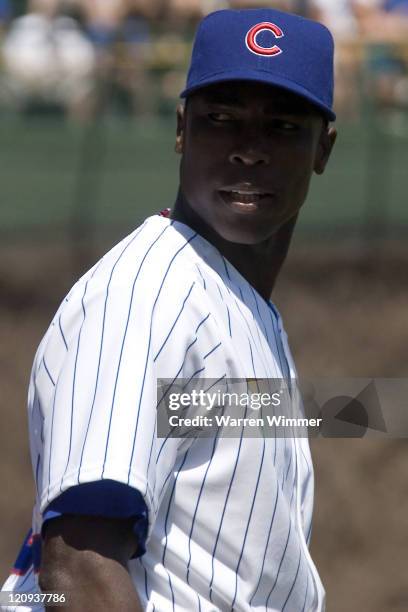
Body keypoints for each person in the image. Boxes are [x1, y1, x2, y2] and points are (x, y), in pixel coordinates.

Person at [1, 7, 336, 611]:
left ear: (324, 147)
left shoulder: (232, 297)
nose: (248, 150)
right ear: (181, 129)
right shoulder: (146, 298)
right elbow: (76, 566)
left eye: (282, 126)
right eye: (221, 120)